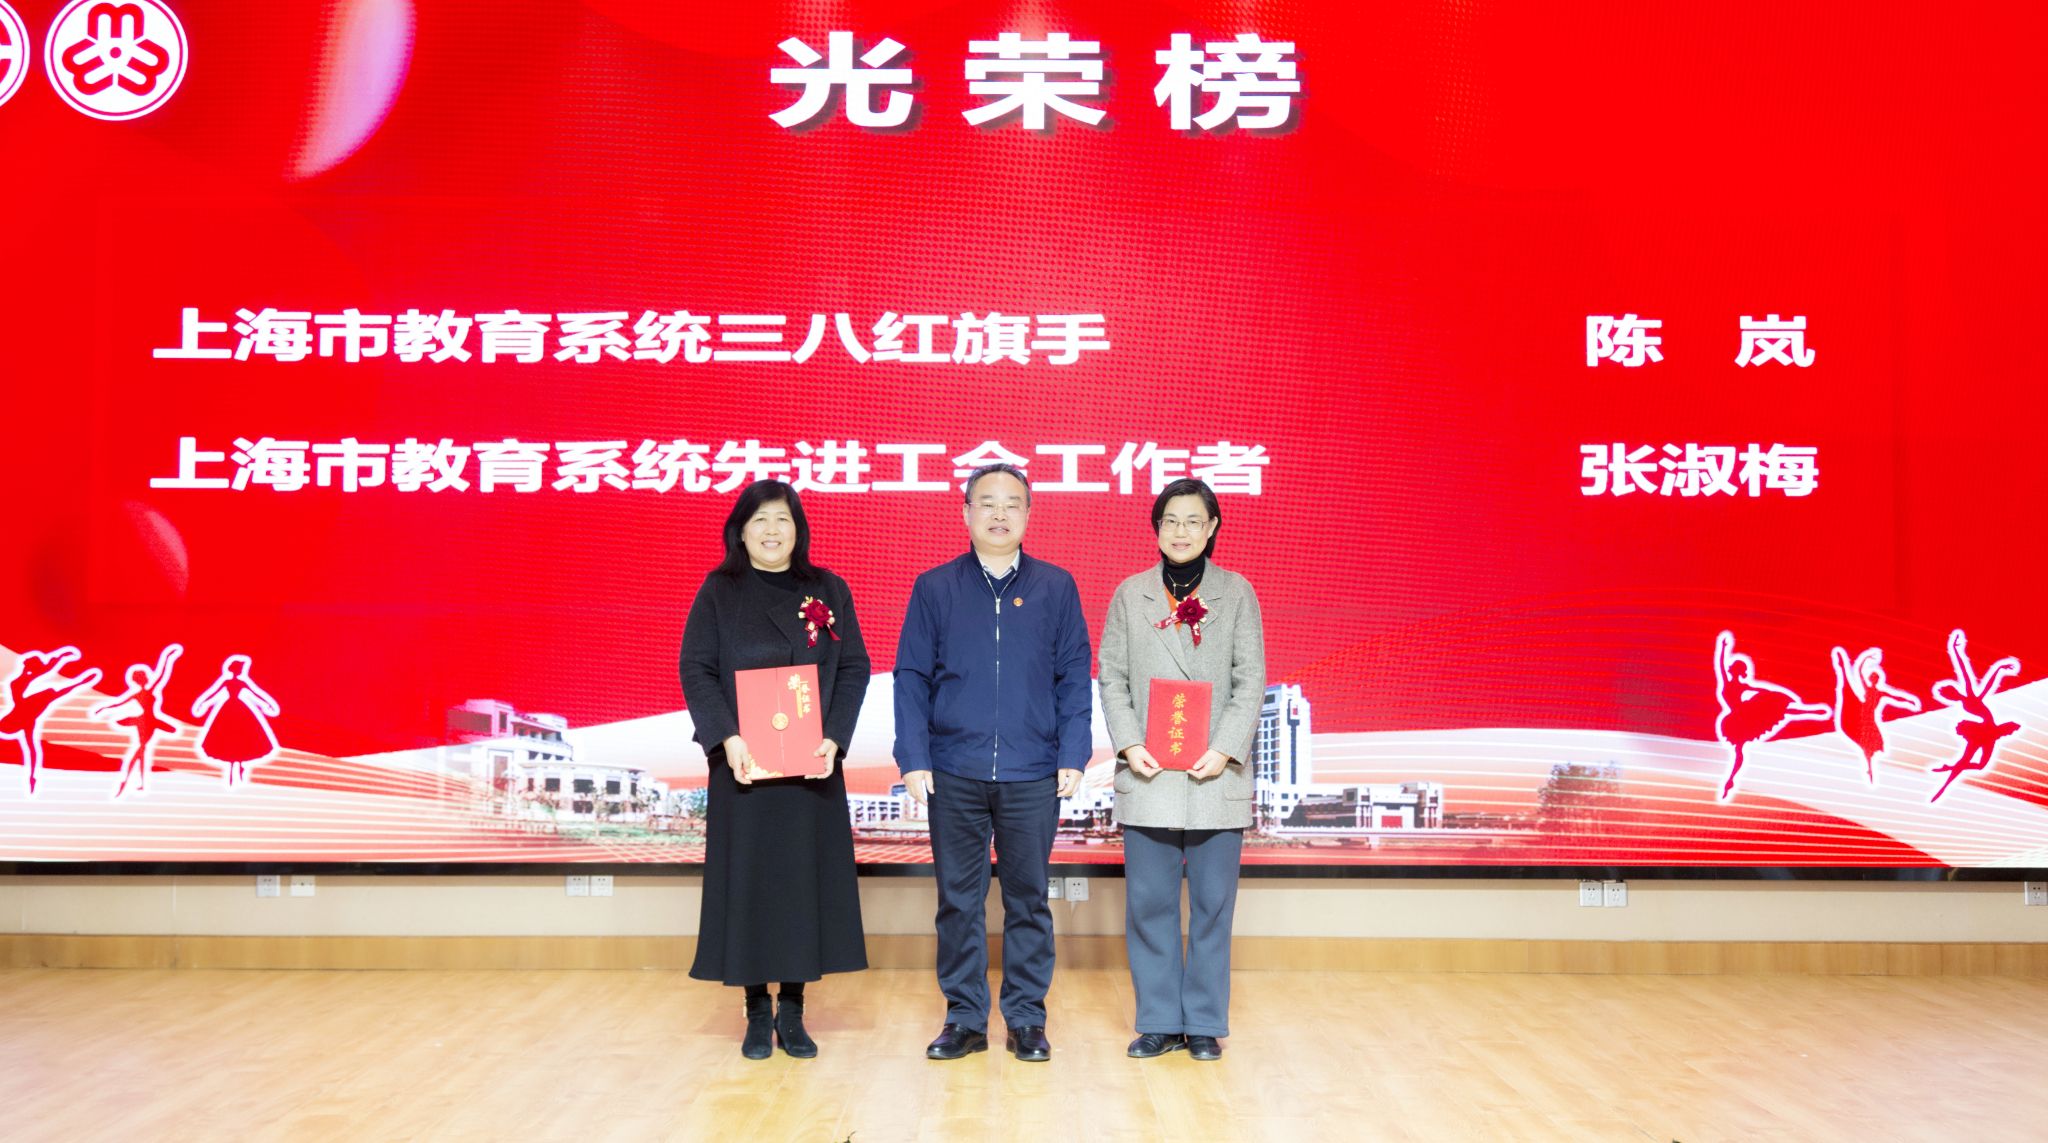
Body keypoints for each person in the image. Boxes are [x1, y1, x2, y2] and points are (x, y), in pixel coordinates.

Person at [895, 462, 1092, 1062]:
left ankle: (1027, 1019)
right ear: (966, 513)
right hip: (954, 768)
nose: (999, 514)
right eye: (987, 502)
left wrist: (1073, 752)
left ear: (1029, 514)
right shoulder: (936, 587)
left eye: (1012, 503)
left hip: (1033, 770)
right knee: (958, 900)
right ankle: (964, 1018)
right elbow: (911, 676)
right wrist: (914, 756)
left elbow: (1073, 675)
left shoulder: (1056, 586)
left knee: (1028, 899)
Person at [678, 480, 870, 1060]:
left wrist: (835, 737)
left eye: (782, 519)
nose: (771, 530)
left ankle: (793, 1007)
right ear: (741, 530)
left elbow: (854, 667)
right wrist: (726, 737)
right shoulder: (720, 590)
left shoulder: (828, 588)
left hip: (811, 766)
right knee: (752, 885)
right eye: (759, 519)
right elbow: (696, 668)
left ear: (798, 529)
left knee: (800, 886)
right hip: (745, 765)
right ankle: (756, 1008)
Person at [1097, 477, 1265, 1063]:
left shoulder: (1237, 593)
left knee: (1213, 906)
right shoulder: (1131, 594)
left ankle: (1204, 1024)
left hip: (1216, 774)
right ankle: (1159, 1021)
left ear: (1212, 527)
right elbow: (1112, 677)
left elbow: (1250, 681)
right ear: (1156, 528)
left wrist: (1224, 748)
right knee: (1150, 905)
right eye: (1170, 520)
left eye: (1194, 520)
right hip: (1150, 771)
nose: (1181, 531)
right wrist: (1127, 744)